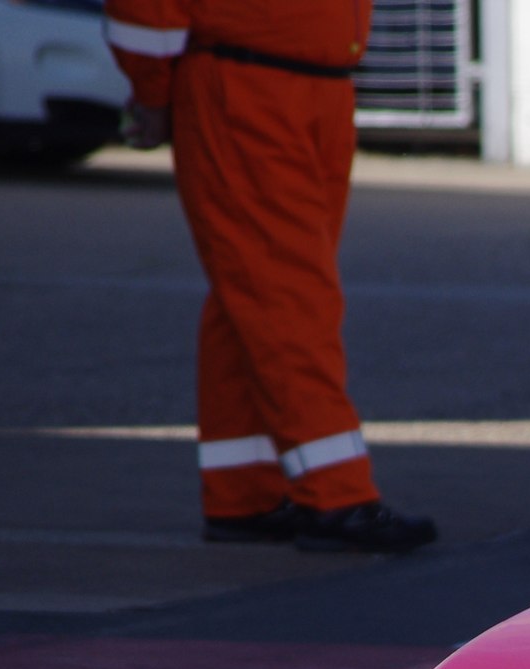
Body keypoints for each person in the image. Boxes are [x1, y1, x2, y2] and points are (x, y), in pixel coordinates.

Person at [104, 1, 436, 552]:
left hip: (311, 84)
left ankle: (243, 493)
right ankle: (336, 495)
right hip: (248, 86)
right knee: (287, 295)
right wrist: (152, 89)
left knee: (254, 292)